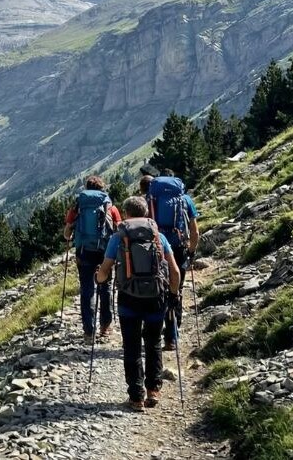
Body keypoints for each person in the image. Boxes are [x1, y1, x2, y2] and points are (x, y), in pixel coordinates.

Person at [96, 196, 182, 411]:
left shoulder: (119, 238)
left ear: (126, 214)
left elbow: (105, 271)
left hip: (129, 298)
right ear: (146, 213)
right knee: (153, 343)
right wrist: (173, 294)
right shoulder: (158, 237)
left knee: (132, 347)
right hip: (156, 297)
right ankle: (154, 390)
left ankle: (136, 397)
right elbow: (175, 271)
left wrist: (99, 279)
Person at [63, 175, 120, 343]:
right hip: (105, 252)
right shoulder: (110, 206)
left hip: (84, 251)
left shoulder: (78, 205)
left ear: (86, 188)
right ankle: (105, 327)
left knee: (87, 289)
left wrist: (72, 235)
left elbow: (67, 233)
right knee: (105, 287)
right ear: (102, 189)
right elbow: (119, 228)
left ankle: (89, 332)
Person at [149, 169, 200, 351]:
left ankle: (154, 332)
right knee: (175, 288)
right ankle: (171, 336)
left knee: (157, 288)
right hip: (178, 249)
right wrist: (192, 252)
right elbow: (194, 231)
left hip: (155, 249)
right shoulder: (185, 199)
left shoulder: (151, 199)